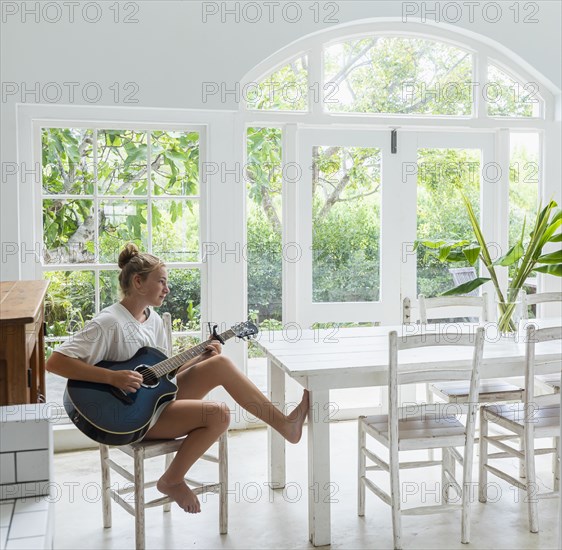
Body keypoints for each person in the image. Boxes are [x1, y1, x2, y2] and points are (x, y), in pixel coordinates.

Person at [46, 243, 309, 514]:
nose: (167, 289)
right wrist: (112, 378)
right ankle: (171, 479)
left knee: (219, 362)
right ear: (138, 282)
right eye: (161, 282)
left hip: (154, 404)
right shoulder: (108, 322)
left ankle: (286, 426)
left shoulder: (153, 320)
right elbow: (55, 362)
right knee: (219, 415)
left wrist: (199, 358)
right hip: (129, 418)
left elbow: (163, 379)